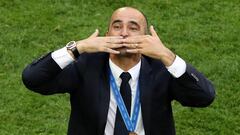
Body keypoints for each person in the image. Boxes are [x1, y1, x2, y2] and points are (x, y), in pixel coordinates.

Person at [22, 7, 215, 135]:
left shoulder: (161, 68)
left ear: (146, 38)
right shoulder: (86, 66)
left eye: (133, 28)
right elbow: (32, 78)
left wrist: (166, 55)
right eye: (117, 26)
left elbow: (204, 97)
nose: (123, 33)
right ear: (107, 35)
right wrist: (77, 47)